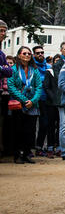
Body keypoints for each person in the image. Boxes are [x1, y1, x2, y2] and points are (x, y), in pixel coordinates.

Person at [7, 46, 42, 164]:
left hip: (32, 104)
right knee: (18, 130)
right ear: (19, 55)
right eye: (24, 53)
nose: (27, 55)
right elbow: (11, 87)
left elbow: (39, 87)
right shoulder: (13, 69)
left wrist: (33, 100)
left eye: (29, 54)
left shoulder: (35, 70)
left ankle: (27, 153)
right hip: (19, 104)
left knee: (30, 130)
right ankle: (17, 155)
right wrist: (24, 100)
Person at [53, 41, 65, 160]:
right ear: (61, 50)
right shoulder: (57, 64)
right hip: (62, 98)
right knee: (64, 125)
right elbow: (60, 82)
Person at [33, 45, 52, 157]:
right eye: (38, 53)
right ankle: (29, 148)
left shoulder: (48, 67)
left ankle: (40, 147)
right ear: (34, 55)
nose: (40, 54)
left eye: (42, 52)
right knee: (31, 126)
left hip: (46, 99)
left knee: (45, 124)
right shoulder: (32, 67)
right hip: (33, 99)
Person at [42, 55, 61, 159]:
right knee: (50, 126)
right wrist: (54, 98)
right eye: (56, 61)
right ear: (53, 62)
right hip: (50, 103)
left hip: (61, 103)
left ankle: (58, 147)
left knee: (60, 126)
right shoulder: (49, 71)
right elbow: (46, 86)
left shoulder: (63, 72)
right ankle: (50, 147)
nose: (58, 63)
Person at [0, 20, 13, 157]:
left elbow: (9, 72)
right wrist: (2, 68)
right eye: (0, 30)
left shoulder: (2, 54)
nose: (3, 34)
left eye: (4, 31)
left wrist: (4, 68)